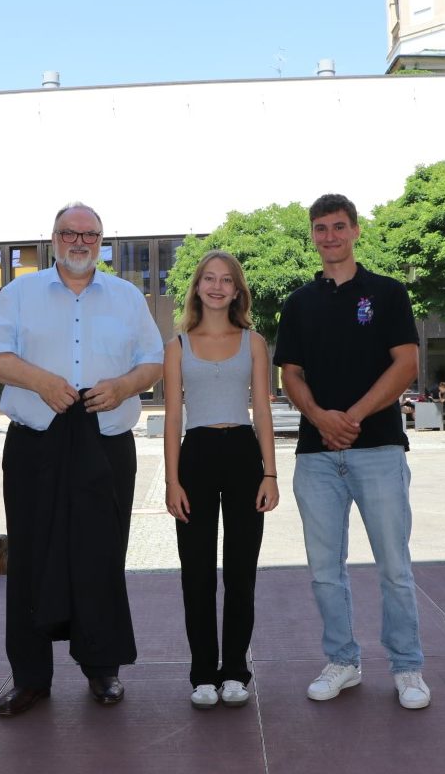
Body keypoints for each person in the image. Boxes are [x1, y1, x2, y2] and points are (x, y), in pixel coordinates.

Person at [0, 202, 163, 718]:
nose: (80, 241)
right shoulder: (18, 294)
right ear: (52, 238)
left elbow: (154, 361)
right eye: (69, 232)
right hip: (37, 440)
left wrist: (125, 386)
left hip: (105, 440)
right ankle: (31, 677)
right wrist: (40, 381)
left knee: (102, 555)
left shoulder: (128, 298)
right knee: (31, 557)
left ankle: (102, 668)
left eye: (90, 234)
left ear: (103, 241)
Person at [273, 193, 431, 710]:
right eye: (320, 228)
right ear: (313, 235)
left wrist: (355, 416)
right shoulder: (298, 303)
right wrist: (320, 418)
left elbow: (406, 364)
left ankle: (407, 668)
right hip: (316, 457)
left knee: (393, 566)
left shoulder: (387, 294)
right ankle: (343, 661)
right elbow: (289, 373)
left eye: (339, 227)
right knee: (324, 570)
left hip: (380, 449)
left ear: (356, 231)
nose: (330, 237)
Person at [164, 251, 279, 709]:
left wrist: (270, 472)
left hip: (243, 456)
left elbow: (264, 412)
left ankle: (235, 671)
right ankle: (203, 676)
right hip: (195, 456)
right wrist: (172, 481)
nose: (216, 286)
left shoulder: (254, 342)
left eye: (226, 280)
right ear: (197, 287)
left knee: (240, 571)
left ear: (237, 290)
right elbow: (173, 418)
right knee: (195, 573)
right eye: (208, 279)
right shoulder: (176, 345)